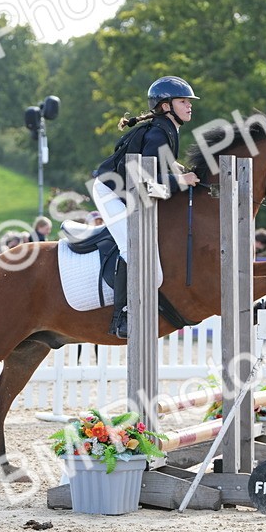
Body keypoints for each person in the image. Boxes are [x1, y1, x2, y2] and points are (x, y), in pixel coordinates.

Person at [92, 75, 200, 337]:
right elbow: (147, 181)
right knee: (133, 247)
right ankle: (122, 316)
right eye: (183, 101)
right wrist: (182, 180)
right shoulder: (159, 131)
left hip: (128, 191)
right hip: (110, 193)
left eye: (189, 102)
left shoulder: (167, 129)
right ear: (166, 106)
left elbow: (161, 166)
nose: (189, 106)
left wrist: (181, 172)